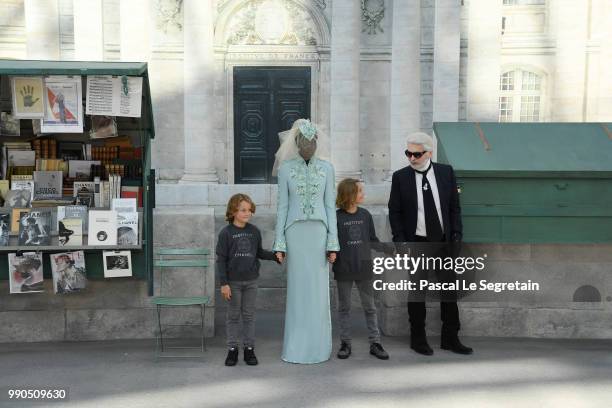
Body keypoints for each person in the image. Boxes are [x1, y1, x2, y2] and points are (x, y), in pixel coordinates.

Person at [388, 131, 473, 355]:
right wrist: (400, 242)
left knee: (449, 292)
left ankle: (450, 338)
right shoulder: (400, 177)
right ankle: (418, 339)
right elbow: (394, 212)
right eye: (408, 153)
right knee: (417, 292)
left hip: (444, 243)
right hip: (417, 243)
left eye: (417, 154)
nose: (412, 158)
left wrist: (456, 235)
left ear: (429, 152)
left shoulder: (446, 173)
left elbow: (455, 207)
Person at [272, 118, 339, 364]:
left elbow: (330, 207)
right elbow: (282, 207)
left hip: (319, 234)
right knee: (298, 292)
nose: (307, 146)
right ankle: (296, 346)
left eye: (312, 141)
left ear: (317, 142)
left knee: (318, 291)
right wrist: (279, 242)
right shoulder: (286, 169)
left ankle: (319, 345)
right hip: (295, 234)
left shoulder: (327, 169)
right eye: (303, 141)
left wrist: (333, 242)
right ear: (296, 143)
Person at [216, 193, 278, 367]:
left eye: (249, 210)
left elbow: (259, 252)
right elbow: (221, 260)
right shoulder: (226, 233)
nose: (247, 213)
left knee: (249, 316)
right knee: (233, 316)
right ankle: (232, 350)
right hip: (233, 283)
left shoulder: (254, 231)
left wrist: (275, 256)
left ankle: (249, 349)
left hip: (251, 281)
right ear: (233, 211)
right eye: (243, 210)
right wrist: (224, 284)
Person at [333, 178, 391, 360]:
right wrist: (330, 253)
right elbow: (331, 243)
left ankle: (375, 343)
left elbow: (372, 239)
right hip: (343, 269)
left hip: (365, 269)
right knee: (344, 308)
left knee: (370, 307)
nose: (363, 195)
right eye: (359, 191)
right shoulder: (336, 217)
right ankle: (345, 343)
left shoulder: (365, 215)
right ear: (349, 194)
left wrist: (386, 248)